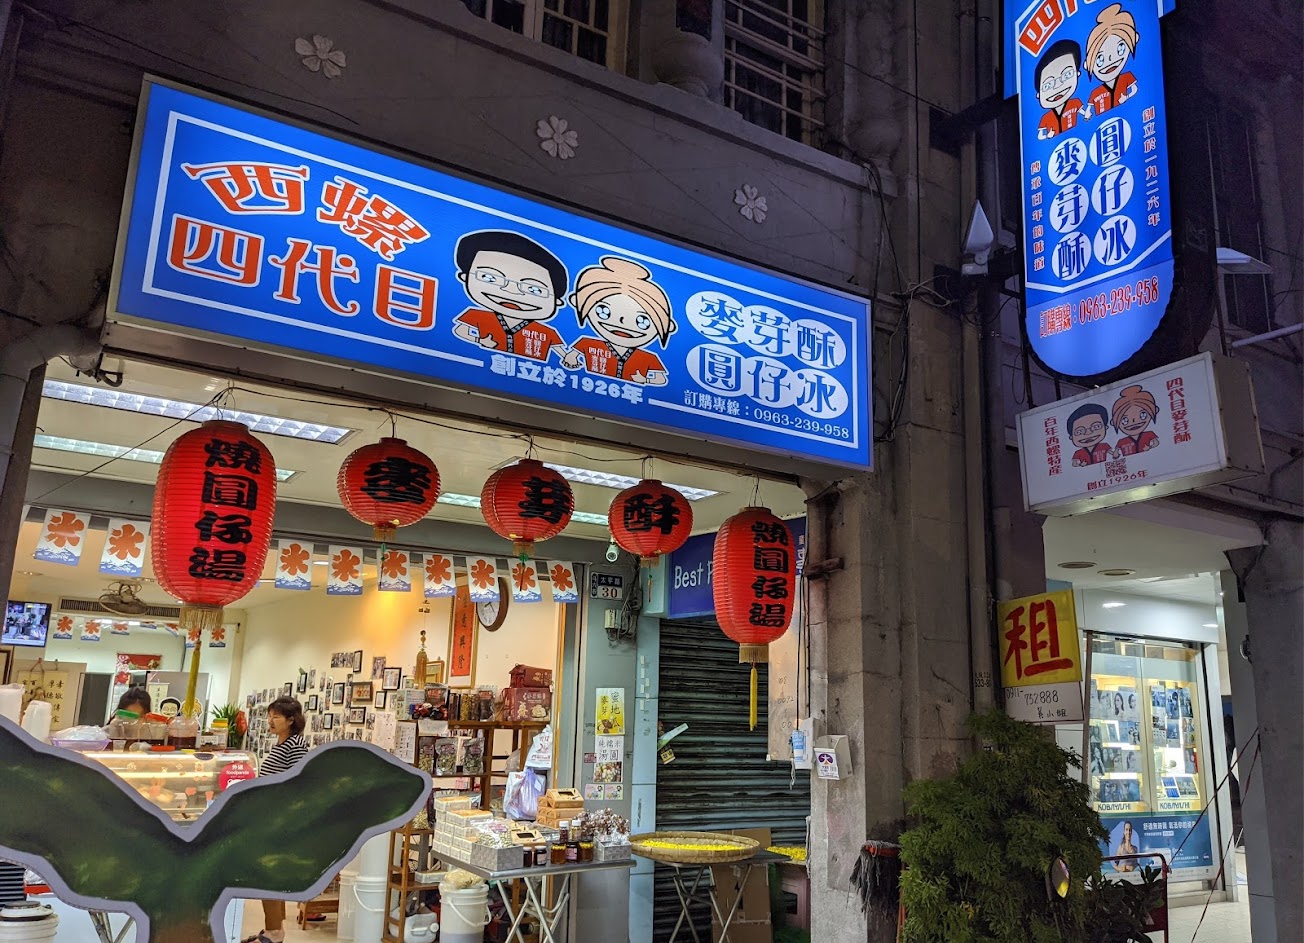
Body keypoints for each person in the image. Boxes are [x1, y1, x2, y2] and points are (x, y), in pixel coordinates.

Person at [451, 230, 571, 362]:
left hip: (529, 371)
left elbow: (562, 352)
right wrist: (479, 340)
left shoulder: (546, 331)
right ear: (465, 277)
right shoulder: (476, 315)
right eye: (490, 278)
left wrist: (569, 358)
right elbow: (460, 330)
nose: (512, 291)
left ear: (557, 301)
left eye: (534, 289)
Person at [244, 696, 309, 943]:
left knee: (267, 873)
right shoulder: (281, 743)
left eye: (277, 717)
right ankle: (273, 928)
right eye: (269, 716)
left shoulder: (296, 745)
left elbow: (298, 785)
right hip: (269, 816)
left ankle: (274, 930)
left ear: (291, 720)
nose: (270, 721)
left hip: (280, 820)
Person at [563, 256, 676, 385]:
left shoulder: (649, 358)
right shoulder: (587, 343)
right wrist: (571, 360)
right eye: (604, 310)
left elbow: (661, 379)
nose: (622, 321)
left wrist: (645, 380)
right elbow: (570, 356)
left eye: (642, 320)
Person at [1085, 4, 1139, 116]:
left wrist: (1127, 97)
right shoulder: (1095, 92)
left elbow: (1135, 89)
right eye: (1099, 59)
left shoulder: (1127, 77)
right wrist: (1087, 114)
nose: (1110, 59)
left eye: (1120, 48)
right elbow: (1088, 109)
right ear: (1087, 64)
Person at [1035, 39, 1088, 139]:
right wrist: (1047, 135)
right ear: (1038, 94)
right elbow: (1039, 136)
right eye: (1048, 85)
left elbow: (1084, 113)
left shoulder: (1075, 103)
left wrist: (1087, 115)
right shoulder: (1045, 118)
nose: (1058, 86)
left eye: (1067, 75)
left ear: (1077, 74)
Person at [1110, 385, 1160, 457]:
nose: (1134, 421)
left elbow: (1156, 443)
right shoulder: (1121, 441)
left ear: (1155, 410)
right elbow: (1116, 453)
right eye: (1124, 420)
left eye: (1142, 415)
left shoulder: (1149, 434)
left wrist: (1150, 447)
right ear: (1113, 422)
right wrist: (1115, 455)